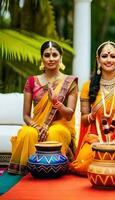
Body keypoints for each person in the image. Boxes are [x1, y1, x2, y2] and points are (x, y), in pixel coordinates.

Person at [69, 41, 115, 177]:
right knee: (84, 163)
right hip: (95, 140)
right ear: (98, 60)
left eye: (113, 56)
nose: (109, 60)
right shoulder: (87, 87)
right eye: (104, 56)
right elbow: (84, 121)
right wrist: (91, 115)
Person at [8, 41, 78, 175]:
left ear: (60, 57)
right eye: (47, 55)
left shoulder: (69, 82)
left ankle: (53, 169)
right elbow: (26, 115)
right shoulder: (32, 81)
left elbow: (69, 114)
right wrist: (36, 126)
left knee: (55, 132)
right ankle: (29, 172)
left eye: (54, 55)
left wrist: (56, 102)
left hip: (60, 126)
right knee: (27, 133)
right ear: (42, 58)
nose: (51, 59)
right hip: (37, 125)